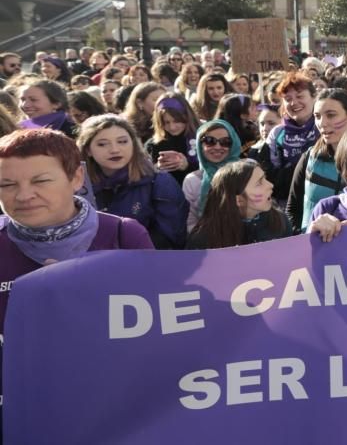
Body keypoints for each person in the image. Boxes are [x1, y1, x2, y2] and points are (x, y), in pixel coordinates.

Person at [0, 129, 153, 416]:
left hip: (112, 405)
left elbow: (158, 324)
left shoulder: (123, 234)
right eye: (6, 184)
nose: (24, 195)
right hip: (24, 411)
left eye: (41, 181)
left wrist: (87, 295)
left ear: (76, 178)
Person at [77, 114, 188, 250]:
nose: (114, 149)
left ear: (134, 144)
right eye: (102, 144)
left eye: (122, 141)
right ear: (88, 150)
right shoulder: (78, 186)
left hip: (146, 262)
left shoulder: (158, 182)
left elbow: (172, 237)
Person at [287, 89, 347, 231]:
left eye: (331, 115)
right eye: (317, 116)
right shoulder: (310, 157)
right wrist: (302, 239)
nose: (322, 123)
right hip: (311, 248)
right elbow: (292, 208)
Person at [187, 160, 293, 249]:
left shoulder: (280, 222)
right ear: (239, 200)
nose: (270, 185)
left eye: (265, 178)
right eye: (259, 183)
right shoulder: (203, 239)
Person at [266, 73, 319, 204]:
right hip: (287, 202)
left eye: (300, 96)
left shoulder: (325, 128)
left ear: (314, 97)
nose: (294, 103)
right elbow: (271, 174)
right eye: (288, 98)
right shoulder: (278, 133)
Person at [183, 120, 243, 231]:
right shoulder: (192, 180)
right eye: (210, 141)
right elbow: (190, 222)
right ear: (200, 145)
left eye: (225, 142)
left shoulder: (247, 171)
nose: (217, 147)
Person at [145, 93, 199, 185]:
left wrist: (187, 166)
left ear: (187, 117)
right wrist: (157, 168)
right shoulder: (154, 144)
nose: (172, 127)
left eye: (177, 121)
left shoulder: (201, 138)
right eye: (166, 122)